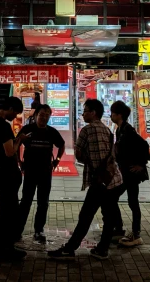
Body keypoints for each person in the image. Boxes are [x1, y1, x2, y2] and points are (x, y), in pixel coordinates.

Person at [49, 99, 124, 261]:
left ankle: (70, 249)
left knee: (85, 216)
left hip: (99, 182)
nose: (83, 114)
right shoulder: (107, 130)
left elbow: (80, 156)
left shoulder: (86, 131)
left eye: (85, 111)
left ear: (93, 113)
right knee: (108, 216)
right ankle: (102, 249)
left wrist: (90, 157)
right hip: (114, 179)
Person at [0, 96, 29, 261]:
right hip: (6, 174)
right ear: (9, 108)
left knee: (5, 211)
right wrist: (20, 140)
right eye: (15, 112)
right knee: (8, 212)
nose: (15, 116)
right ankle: (4, 249)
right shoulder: (3, 126)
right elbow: (10, 151)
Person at [17, 104, 65, 243]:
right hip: (30, 171)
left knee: (43, 203)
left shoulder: (52, 132)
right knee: (26, 201)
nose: (44, 117)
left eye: (47, 115)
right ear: (36, 115)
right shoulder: (28, 129)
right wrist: (19, 161)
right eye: (41, 114)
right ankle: (18, 230)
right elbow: (17, 143)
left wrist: (56, 161)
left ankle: (39, 230)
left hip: (45, 171)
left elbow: (61, 145)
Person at [110, 100, 150, 247]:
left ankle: (135, 234)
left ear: (119, 115)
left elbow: (144, 145)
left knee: (128, 200)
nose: (111, 116)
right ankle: (123, 229)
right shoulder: (120, 129)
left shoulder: (128, 130)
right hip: (125, 171)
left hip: (131, 173)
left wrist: (141, 164)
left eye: (112, 113)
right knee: (127, 200)